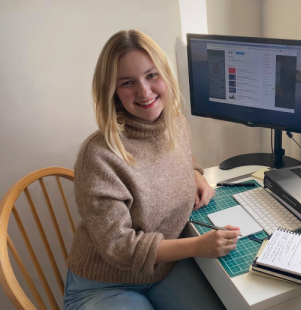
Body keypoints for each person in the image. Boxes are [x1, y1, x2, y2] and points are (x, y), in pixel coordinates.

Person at [64, 30, 241, 310]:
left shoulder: (175, 123)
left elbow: (175, 161)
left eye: (151, 75)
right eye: (127, 82)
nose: (144, 91)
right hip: (105, 285)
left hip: (164, 272)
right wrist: (198, 246)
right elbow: (120, 247)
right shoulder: (98, 155)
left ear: (166, 76)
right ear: (112, 91)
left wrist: (194, 174)